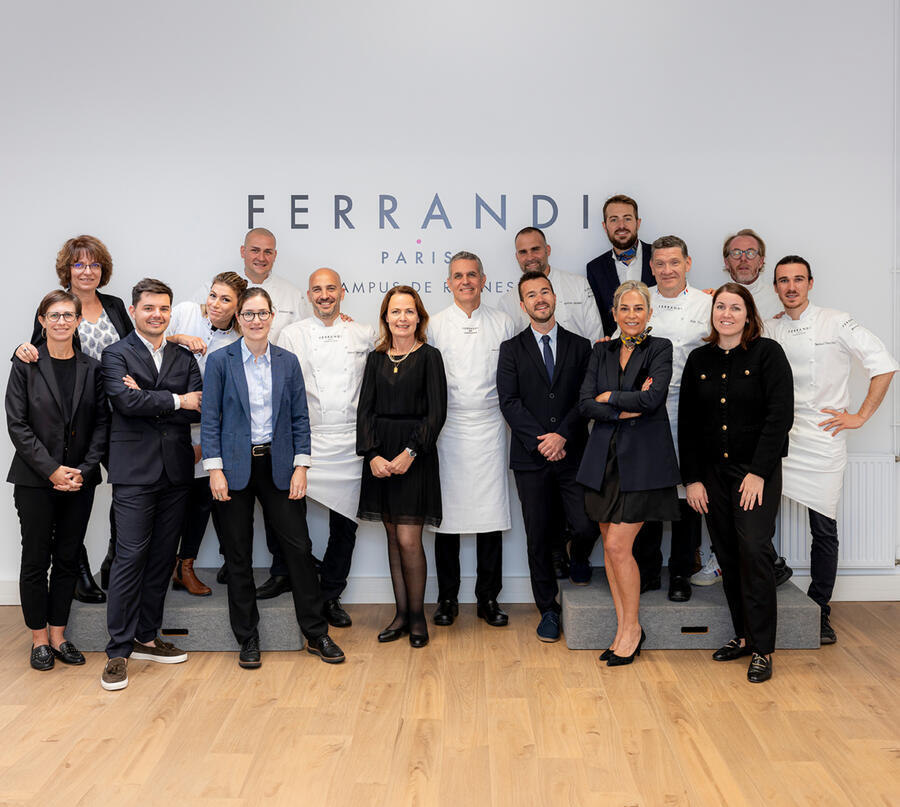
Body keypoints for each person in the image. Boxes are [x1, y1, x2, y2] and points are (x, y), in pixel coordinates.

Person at [201, 287, 345, 668]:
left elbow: (300, 417)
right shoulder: (220, 362)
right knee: (238, 554)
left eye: (262, 313)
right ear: (238, 319)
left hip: (279, 466)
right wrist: (214, 469)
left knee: (299, 549)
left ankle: (316, 633)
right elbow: (210, 419)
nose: (255, 320)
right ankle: (247, 637)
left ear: (272, 316)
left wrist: (301, 466)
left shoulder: (287, 362)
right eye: (248, 314)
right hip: (233, 469)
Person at [768, 255, 898, 644]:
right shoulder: (771, 327)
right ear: (775, 287)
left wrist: (860, 415)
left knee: (823, 528)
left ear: (810, 283)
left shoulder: (836, 321)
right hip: (782, 435)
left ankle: (820, 608)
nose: (791, 287)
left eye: (798, 279)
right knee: (757, 515)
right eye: (783, 280)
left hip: (824, 437)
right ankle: (771, 570)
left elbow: (883, 364)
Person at [679, 283, 794, 683]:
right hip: (711, 475)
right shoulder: (698, 359)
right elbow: (688, 424)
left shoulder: (768, 354)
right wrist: (692, 479)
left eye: (735, 308)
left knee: (753, 550)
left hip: (755, 472)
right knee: (727, 554)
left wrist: (758, 472)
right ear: (712, 313)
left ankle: (763, 648)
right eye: (720, 307)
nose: (726, 314)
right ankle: (744, 637)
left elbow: (780, 417)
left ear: (748, 315)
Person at [15, 235, 133, 604]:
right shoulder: (59, 307)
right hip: (76, 423)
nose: (87, 271)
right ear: (67, 270)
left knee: (128, 490)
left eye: (94, 264)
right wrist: (18, 349)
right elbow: (35, 354)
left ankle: (114, 559)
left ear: (103, 270)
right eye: (79, 264)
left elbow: (135, 347)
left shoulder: (114, 306)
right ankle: (78, 568)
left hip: (120, 417)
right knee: (71, 495)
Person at [100, 279, 204, 691]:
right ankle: (118, 651)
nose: (157, 315)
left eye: (163, 308)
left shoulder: (184, 356)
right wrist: (175, 399)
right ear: (133, 310)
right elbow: (125, 403)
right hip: (134, 472)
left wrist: (148, 396)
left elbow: (198, 407)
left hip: (176, 471)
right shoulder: (115, 354)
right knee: (130, 558)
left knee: (162, 558)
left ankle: (146, 636)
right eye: (149, 308)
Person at [577, 280, 680, 665]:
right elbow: (585, 403)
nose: (632, 315)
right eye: (625, 308)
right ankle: (622, 629)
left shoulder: (660, 348)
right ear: (614, 313)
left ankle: (633, 630)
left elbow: (653, 399)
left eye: (639, 308)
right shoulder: (600, 350)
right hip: (603, 459)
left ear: (649, 313)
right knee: (609, 547)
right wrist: (623, 408)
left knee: (620, 547)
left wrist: (611, 398)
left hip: (643, 461)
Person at [6, 290, 109, 670]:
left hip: (79, 480)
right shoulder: (25, 365)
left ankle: (59, 635)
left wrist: (83, 469)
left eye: (69, 315)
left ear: (79, 321)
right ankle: (38, 640)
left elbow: (102, 424)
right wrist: (52, 470)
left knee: (67, 558)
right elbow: (17, 424)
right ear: (42, 321)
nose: (62, 321)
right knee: (36, 559)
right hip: (35, 480)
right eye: (54, 315)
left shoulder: (92, 368)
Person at [497, 271, 597, 643]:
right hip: (531, 457)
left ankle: (578, 556)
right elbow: (509, 401)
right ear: (523, 304)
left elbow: (585, 398)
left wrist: (562, 435)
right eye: (531, 295)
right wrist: (542, 441)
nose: (540, 299)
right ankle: (548, 610)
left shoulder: (581, 346)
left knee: (586, 524)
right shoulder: (511, 349)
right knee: (537, 536)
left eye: (545, 291)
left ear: (554, 297)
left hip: (573, 452)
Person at [277, 268, 377, 628]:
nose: (324, 295)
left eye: (331, 288)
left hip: (351, 441)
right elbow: (283, 391)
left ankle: (331, 594)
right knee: (292, 525)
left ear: (342, 292)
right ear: (308, 295)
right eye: (317, 289)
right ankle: (303, 587)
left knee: (345, 528)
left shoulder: (363, 332)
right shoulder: (291, 335)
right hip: (308, 438)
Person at [427, 251, 516, 628]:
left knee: (489, 516)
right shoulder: (434, 324)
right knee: (446, 519)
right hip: (447, 430)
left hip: (491, 426)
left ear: (483, 280)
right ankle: (447, 598)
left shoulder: (504, 322)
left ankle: (488, 598)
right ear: (448, 283)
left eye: (472, 275)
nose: (465, 281)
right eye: (458, 276)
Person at [357, 286, 447, 648]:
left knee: (410, 539)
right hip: (381, 456)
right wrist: (372, 455)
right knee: (393, 537)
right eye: (395, 311)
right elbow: (365, 411)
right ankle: (401, 615)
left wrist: (411, 451)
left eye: (409, 311)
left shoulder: (430, 356)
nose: (402, 318)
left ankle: (418, 617)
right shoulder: (375, 359)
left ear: (419, 317)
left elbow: (437, 412)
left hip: (416, 456)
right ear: (386, 317)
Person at [629, 236, 711, 602]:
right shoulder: (639, 299)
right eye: (660, 263)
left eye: (674, 262)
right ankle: (648, 571)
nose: (667, 270)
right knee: (648, 493)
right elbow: (620, 347)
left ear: (687, 264)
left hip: (691, 411)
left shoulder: (707, 304)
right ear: (651, 267)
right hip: (646, 411)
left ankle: (681, 572)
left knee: (688, 495)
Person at [160, 271, 247, 595]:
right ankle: (160, 566)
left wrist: (204, 443)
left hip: (207, 431)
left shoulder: (238, 340)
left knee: (201, 502)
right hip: (168, 422)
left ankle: (186, 567)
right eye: (213, 295)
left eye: (225, 299)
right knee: (168, 501)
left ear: (237, 307)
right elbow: (148, 339)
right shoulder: (184, 312)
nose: (215, 304)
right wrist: (181, 338)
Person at [717, 229, 792, 587]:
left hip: (765, 420)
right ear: (726, 261)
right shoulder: (715, 299)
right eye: (736, 253)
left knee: (754, 522)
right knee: (731, 520)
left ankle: (766, 565)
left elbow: (780, 407)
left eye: (750, 253)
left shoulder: (779, 301)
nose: (743, 259)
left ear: (762, 260)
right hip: (727, 423)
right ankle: (745, 565)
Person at [498, 227, 603, 340]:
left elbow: (595, 335)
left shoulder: (579, 284)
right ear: (517, 257)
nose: (530, 257)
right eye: (523, 252)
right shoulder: (507, 301)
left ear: (547, 250)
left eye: (535, 249)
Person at [585, 194, 657, 338]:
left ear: (638, 223)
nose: (621, 225)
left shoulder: (658, 257)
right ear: (605, 226)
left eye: (627, 218)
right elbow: (601, 319)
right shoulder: (595, 268)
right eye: (614, 220)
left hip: (660, 344)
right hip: (618, 348)